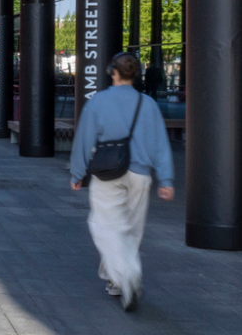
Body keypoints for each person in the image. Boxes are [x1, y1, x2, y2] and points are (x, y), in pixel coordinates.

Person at [69, 52, 175, 312]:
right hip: (140, 175)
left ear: (112, 72)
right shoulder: (148, 104)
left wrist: (77, 173)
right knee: (131, 229)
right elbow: (160, 144)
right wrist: (166, 179)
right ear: (136, 74)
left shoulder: (98, 102)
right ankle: (116, 279)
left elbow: (84, 139)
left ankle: (126, 277)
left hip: (107, 173)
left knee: (106, 226)